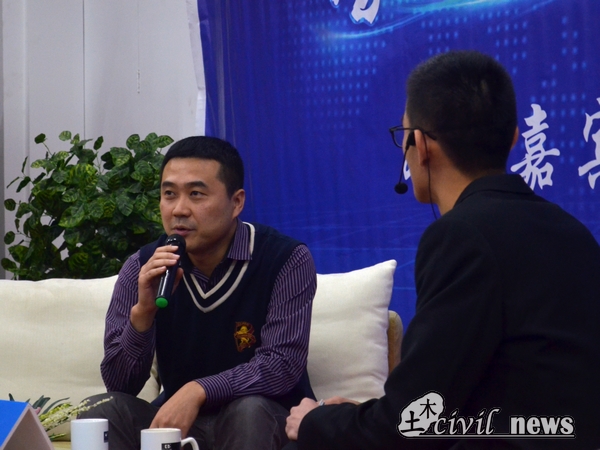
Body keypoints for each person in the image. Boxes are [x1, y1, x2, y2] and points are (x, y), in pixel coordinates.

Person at [284, 50, 600, 449]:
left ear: (420, 144)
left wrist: (317, 421)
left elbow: (412, 425)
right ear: (514, 138)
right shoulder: (574, 232)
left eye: (403, 137)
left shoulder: (461, 237)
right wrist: (362, 416)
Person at [80, 136, 317, 450]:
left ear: (236, 202)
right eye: (169, 194)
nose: (179, 210)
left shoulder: (284, 259)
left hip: (264, 419)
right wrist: (143, 314)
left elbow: (280, 366)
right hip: (182, 424)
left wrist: (198, 390)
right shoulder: (143, 266)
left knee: (248, 412)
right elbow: (120, 384)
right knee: (100, 411)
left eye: (196, 194)